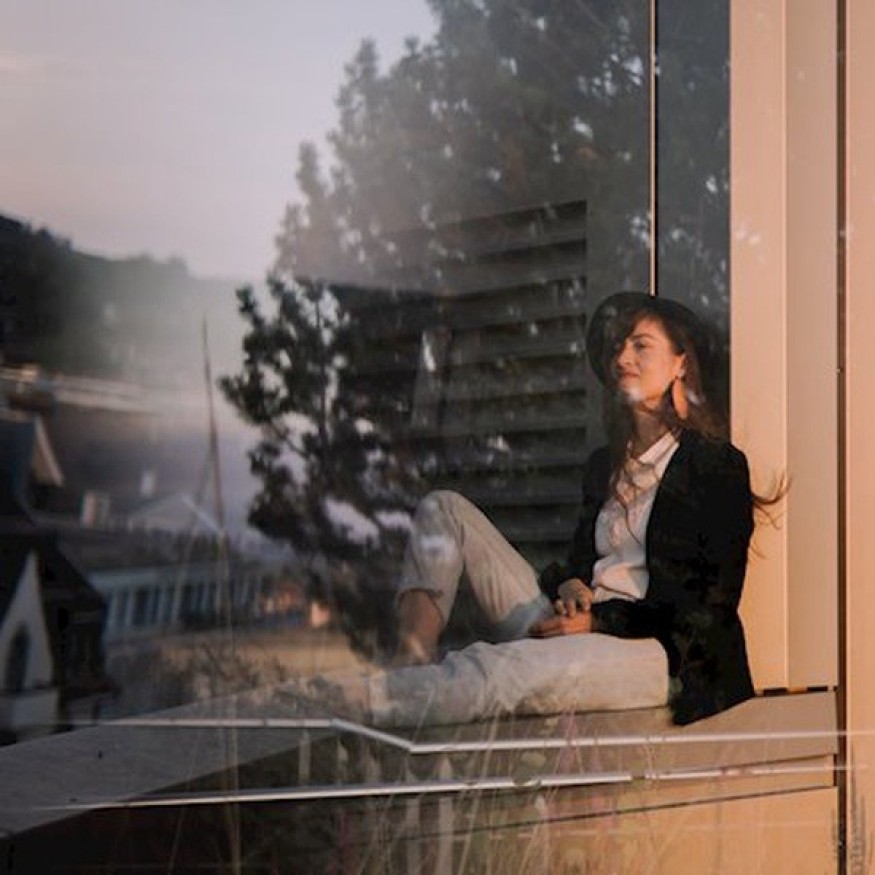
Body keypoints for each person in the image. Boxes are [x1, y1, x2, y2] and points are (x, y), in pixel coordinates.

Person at [386, 291, 757, 727]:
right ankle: (408, 666)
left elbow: (709, 607)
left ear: (680, 364)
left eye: (641, 345)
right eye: (617, 347)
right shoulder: (605, 465)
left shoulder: (715, 465)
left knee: (498, 671)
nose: (622, 358)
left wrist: (600, 621)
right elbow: (581, 565)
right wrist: (570, 585)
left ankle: (376, 704)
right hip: (580, 629)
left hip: (657, 653)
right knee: (444, 509)